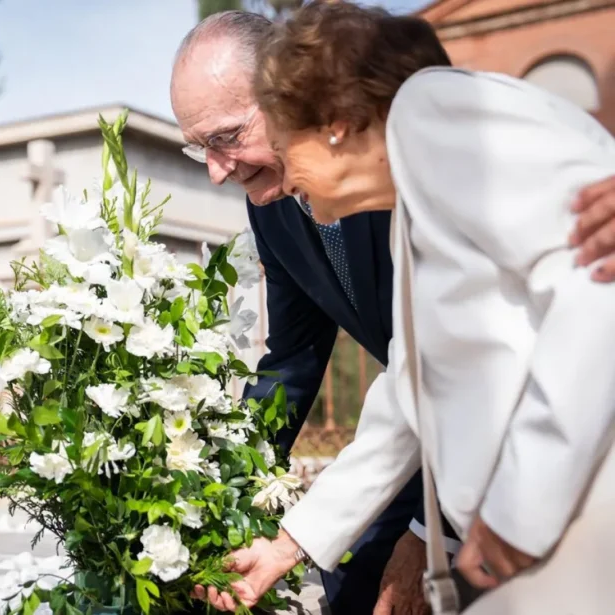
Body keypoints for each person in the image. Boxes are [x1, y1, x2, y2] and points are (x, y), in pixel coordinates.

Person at [171, 10, 615, 615]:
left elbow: (594, 291)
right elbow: (413, 380)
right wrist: (292, 542)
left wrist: (517, 511)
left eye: (257, 138)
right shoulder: (410, 192)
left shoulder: (432, 111)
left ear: (327, 119)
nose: (237, 172)